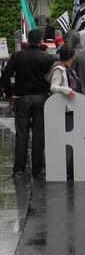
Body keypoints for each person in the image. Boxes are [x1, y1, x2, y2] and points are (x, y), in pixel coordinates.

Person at [1, 27, 51, 176]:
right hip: (41, 97)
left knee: (21, 133)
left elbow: (5, 75)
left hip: (23, 98)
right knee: (39, 133)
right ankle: (37, 169)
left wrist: (9, 93)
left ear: (28, 40)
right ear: (40, 40)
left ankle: (19, 169)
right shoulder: (47, 58)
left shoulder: (17, 56)